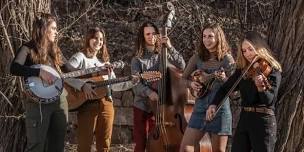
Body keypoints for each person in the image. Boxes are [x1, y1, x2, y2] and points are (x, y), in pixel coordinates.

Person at [206, 31, 282, 152]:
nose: (247, 54)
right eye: (244, 51)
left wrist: (261, 87)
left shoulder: (272, 70)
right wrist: (214, 103)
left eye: (250, 49)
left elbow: (269, 101)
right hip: (245, 118)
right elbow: (225, 88)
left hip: (263, 120)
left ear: (259, 47)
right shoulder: (243, 71)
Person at [64, 27, 136, 152]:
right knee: (84, 146)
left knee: (104, 145)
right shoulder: (80, 57)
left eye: (101, 39)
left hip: (107, 103)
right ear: (88, 39)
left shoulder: (105, 63)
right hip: (87, 104)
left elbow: (113, 85)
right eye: (95, 38)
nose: (99, 41)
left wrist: (132, 82)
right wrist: (83, 85)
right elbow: (65, 76)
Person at [10, 13, 68, 152]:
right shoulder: (28, 48)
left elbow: (71, 69)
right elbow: (14, 68)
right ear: (43, 29)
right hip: (38, 104)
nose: (56, 32)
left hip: (59, 101)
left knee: (57, 145)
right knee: (37, 146)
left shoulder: (55, 49)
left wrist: (100, 70)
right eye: (53, 28)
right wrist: (38, 72)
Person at [131, 21, 186, 152]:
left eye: (153, 33)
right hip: (142, 106)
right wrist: (149, 93)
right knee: (140, 143)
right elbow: (136, 84)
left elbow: (182, 66)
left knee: (156, 144)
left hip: (163, 108)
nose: (151, 36)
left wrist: (170, 47)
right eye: (147, 34)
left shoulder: (164, 54)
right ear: (143, 36)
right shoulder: (137, 59)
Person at [180, 23, 235, 152]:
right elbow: (183, 79)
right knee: (185, 148)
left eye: (210, 36)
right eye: (204, 36)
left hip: (220, 109)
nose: (206, 40)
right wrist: (191, 84)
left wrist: (224, 79)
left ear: (218, 38)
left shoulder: (227, 59)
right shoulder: (197, 57)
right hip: (199, 107)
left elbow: (234, 90)